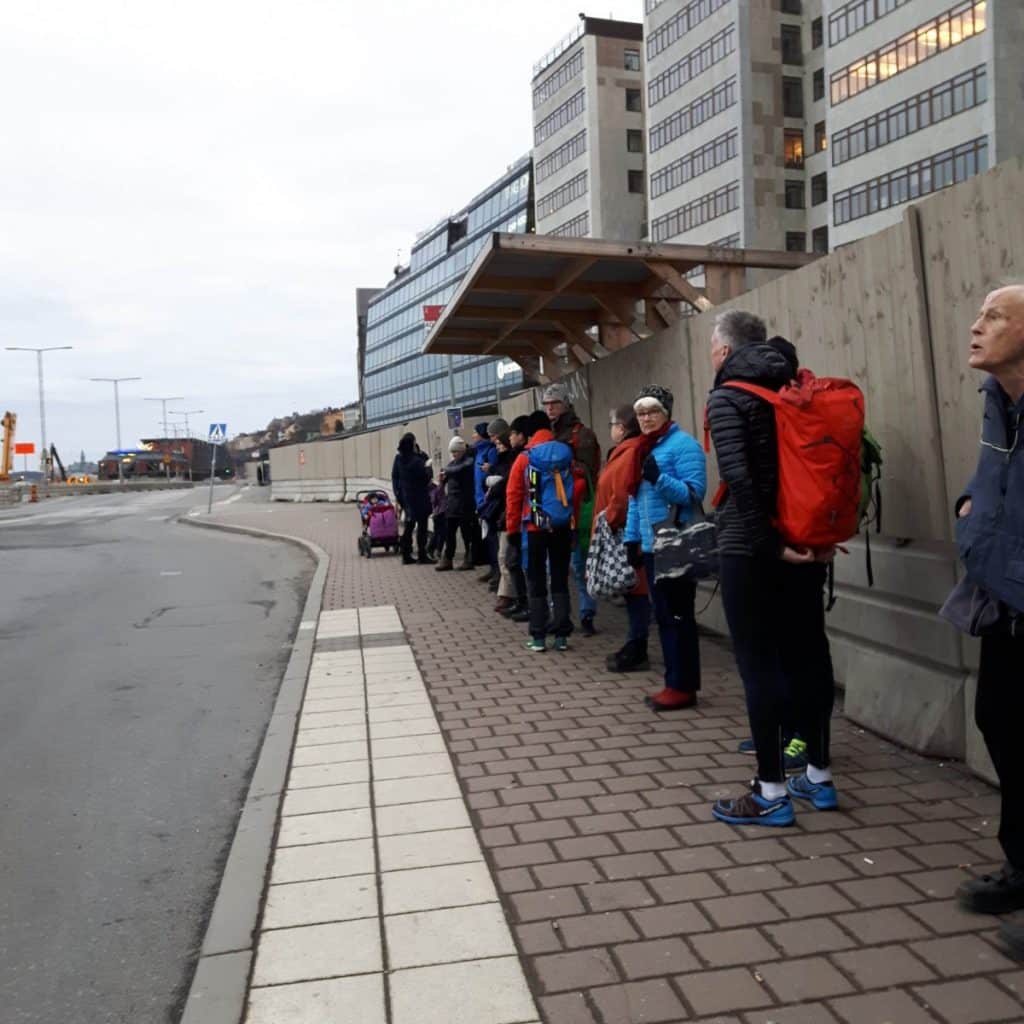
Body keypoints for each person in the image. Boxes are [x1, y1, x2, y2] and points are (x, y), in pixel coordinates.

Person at [705, 310, 838, 828]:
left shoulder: (729, 396)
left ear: (723, 352)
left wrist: (767, 544)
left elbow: (738, 478)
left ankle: (770, 792)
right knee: (811, 655)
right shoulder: (799, 387)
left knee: (758, 664)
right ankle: (819, 779)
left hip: (753, 548)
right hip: (808, 544)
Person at [951, 285, 1024, 958]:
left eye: (995, 316)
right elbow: (988, 481)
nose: (977, 326)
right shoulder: (998, 403)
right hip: (1003, 598)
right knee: (998, 722)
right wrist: (969, 506)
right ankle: (1021, 867)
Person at [623, 386, 706, 709]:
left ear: (666, 413)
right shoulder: (644, 448)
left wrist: (659, 478)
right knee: (664, 615)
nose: (645, 419)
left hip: (676, 542)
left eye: (651, 412)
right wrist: (632, 538)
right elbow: (636, 499)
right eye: (640, 413)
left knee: (677, 615)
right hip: (651, 544)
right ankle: (675, 682)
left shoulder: (684, 446)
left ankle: (682, 686)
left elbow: (693, 494)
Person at [593, 404, 655, 672]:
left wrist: (608, 520)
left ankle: (637, 646)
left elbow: (622, 495)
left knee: (636, 589)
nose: (611, 430)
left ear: (622, 427)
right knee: (633, 589)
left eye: (612, 425)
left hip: (625, 532)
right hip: (622, 530)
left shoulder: (629, 453)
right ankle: (635, 643)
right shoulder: (624, 452)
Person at [506, 409, 574, 652]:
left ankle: (538, 637)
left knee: (535, 580)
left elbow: (513, 497)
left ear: (530, 432)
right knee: (559, 578)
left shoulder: (525, 457)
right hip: (562, 525)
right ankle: (562, 636)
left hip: (534, 526)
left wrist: (512, 530)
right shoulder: (566, 453)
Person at [543, 383, 601, 636]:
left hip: (576, 509)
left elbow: (589, 472)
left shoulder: (582, 434)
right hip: (553, 509)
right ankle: (560, 616)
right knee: (552, 568)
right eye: (546, 405)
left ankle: (587, 615)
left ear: (565, 404)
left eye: (554, 403)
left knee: (579, 567)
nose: (550, 409)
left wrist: (561, 465)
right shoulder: (547, 433)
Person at [500, 416, 531, 622]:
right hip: (523, 518)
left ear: (522, 436)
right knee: (515, 561)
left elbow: (515, 493)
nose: (510, 438)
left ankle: (526, 604)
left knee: (516, 561)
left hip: (522, 519)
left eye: (512, 434)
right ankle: (523, 603)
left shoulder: (523, 458)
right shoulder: (515, 456)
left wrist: (511, 526)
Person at [391, 432, 433, 565]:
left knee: (409, 525)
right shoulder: (417, 460)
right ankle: (422, 554)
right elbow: (427, 476)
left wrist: (398, 494)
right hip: (420, 496)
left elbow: (394, 477)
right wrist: (427, 466)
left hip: (406, 497)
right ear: (413, 443)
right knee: (422, 526)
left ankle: (406, 554)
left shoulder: (399, 459)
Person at [435, 436, 476, 572]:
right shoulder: (452, 465)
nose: (454, 454)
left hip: (465, 504)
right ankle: (448, 558)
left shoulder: (468, 462)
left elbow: (457, 469)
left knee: (467, 533)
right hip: (452, 504)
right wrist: (442, 479)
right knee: (449, 533)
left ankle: (468, 558)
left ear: (462, 451)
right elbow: (448, 472)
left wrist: (445, 471)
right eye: (452, 452)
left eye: (456, 451)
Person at [472, 422, 500, 583]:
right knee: (488, 537)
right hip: (480, 499)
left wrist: (491, 470)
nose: (473, 436)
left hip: (488, 500)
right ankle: (493, 568)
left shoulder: (490, 451)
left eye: (475, 432)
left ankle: (497, 572)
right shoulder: (478, 451)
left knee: (492, 536)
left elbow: (496, 474)